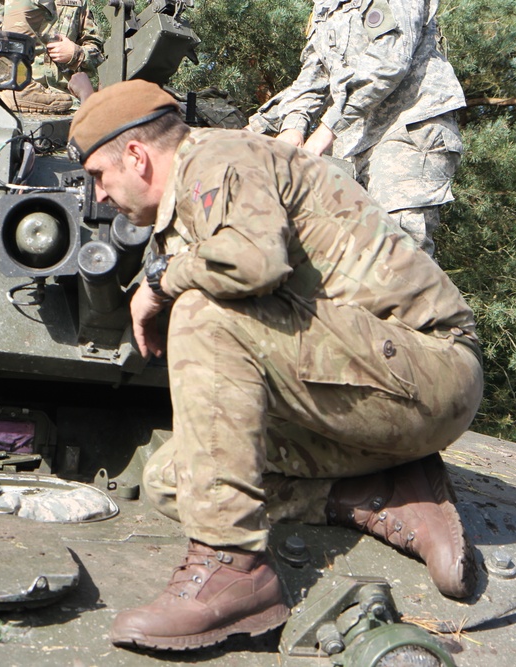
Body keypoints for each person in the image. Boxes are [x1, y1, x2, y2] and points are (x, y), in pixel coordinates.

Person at [67, 80, 483, 652]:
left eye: (98, 175)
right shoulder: (196, 186)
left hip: (430, 368)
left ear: (136, 156)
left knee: (203, 313)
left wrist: (161, 282)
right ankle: (377, 492)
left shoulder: (217, 158)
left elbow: (252, 263)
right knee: (173, 481)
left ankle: (233, 569)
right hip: (365, 390)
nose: (100, 196)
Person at [247, 0, 466, 256]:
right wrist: (293, 127)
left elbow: (388, 62)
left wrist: (325, 131)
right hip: (353, 139)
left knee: (397, 252)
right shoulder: (325, 5)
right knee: (345, 257)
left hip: (409, 127)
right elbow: (314, 75)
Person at [0, 0, 104, 113]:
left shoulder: (78, 3)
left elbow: (98, 53)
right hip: (6, 100)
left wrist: (75, 53)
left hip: (65, 104)